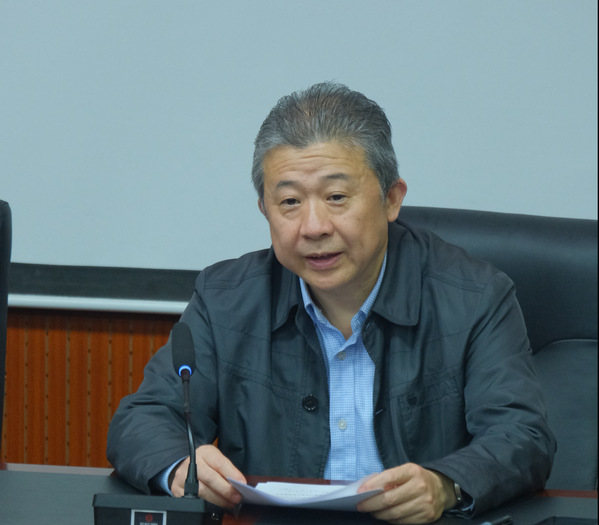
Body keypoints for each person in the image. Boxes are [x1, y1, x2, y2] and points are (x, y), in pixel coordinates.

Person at [106, 82, 555, 524]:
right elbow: (145, 418)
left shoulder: (474, 297)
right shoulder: (225, 299)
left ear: (391, 199)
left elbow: (522, 435)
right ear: (264, 209)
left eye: (336, 197)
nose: (313, 227)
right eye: (289, 202)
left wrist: (444, 484)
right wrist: (180, 467)